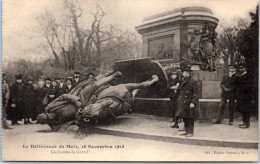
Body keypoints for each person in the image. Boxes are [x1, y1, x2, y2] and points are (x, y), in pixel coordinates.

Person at [175, 64, 198, 138]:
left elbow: (195, 93)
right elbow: (180, 90)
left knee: (190, 117)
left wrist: (193, 102)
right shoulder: (183, 80)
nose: (182, 74)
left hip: (189, 102)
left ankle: (190, 132)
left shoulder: (193, 81)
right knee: (185, 117)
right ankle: (186, 131)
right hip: (183, 102)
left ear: (188, 73)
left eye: (184, 72)